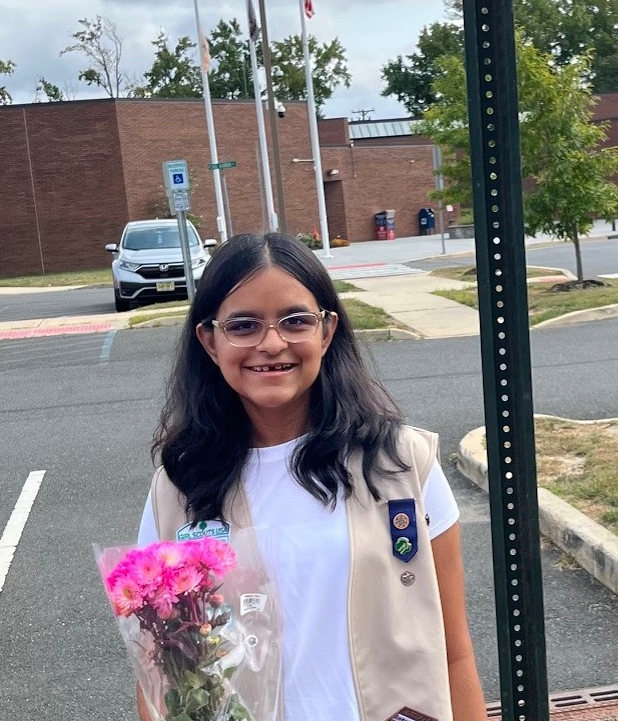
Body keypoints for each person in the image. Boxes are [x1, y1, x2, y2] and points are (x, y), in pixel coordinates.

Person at [137, 231, 486, 721]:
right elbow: (162, 676)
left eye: (295, 320)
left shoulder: (403, 463)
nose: (272, 343)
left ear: (327, 331)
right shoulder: (177, 489)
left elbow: (453, 652)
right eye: (243, 325)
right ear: (209, 341)